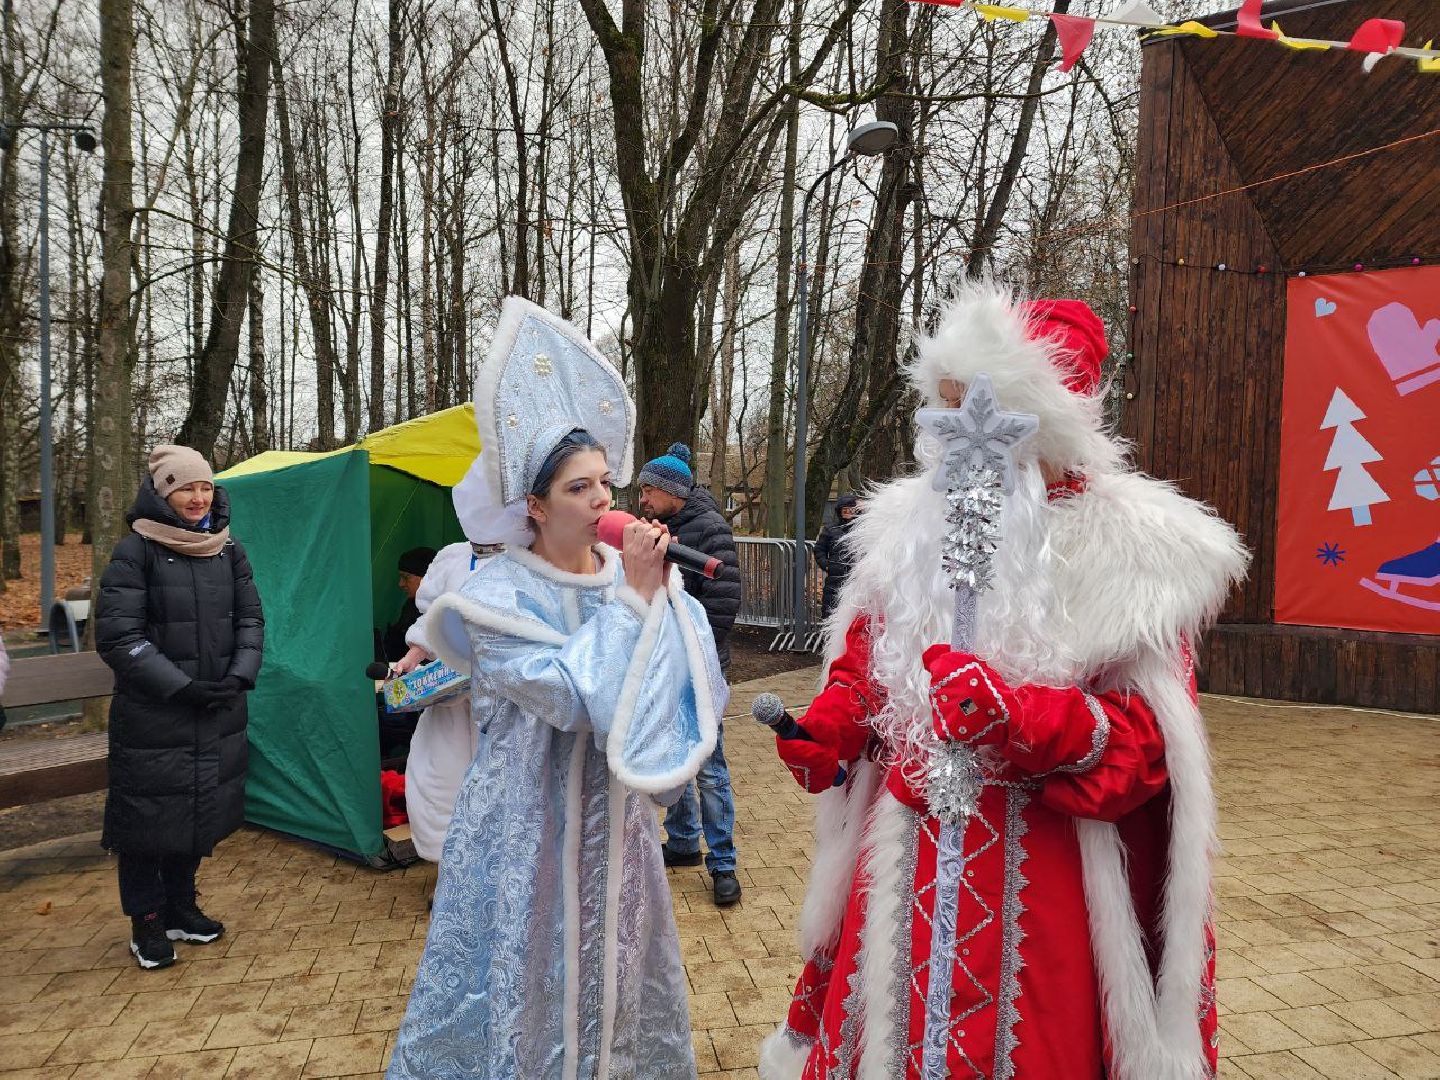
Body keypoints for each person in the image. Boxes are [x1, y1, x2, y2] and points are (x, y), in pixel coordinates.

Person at [758, 287, 1248, 1080]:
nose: (960, 449)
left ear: (1039, 428)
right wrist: (835, 726)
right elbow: (867, 669)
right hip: (904, 877)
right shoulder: (904, 533)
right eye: (943, 418)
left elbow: (1147, 750)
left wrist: (1019, 718)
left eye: (978, 420)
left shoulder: (1137, 557)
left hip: (1049, 893)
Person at [388, 298, 726, 1079]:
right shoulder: (495, 599)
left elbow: (696, 690)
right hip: (523, 834)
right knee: (527, 993)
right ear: (533, 507)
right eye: (579, 489)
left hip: (620, 833)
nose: (604, 502)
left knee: (617, 989)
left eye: (606, 482)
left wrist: (662, 604)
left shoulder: (636, 578)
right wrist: (636, 603)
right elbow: (575, 699)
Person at [96, 445, 265, 971]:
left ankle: (180, 907)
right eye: (185, 488)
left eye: (204, 487)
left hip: (215, 706)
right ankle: (146, 921)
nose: (197, 497)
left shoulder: (228, 550)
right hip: (156, 713)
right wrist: (181, 687)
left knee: (198, 808)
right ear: (163, 493)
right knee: (147, 821)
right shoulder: (136, 551)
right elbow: (120, 637)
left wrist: (239, 675)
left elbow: (251, 622)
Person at [637, 442, 743, 905]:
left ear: (670, 492)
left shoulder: (710, 530)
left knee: (710, 768)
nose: (641, 499)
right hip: (665, 666)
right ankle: (682, 843)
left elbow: (722, 603)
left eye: (647, 490)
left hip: (698, 667)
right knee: (674, 754)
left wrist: (697, 653)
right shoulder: (657, 528)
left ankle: (724, 863)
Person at [391, 539, 499, 862]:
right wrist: (414, 654)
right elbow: (433, 616)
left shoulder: (529, 551)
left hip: (501, 705)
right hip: (450, 706)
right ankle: (452, 874)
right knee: (441, 783)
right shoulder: (454, 558)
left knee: (499, 792)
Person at [377, 547, 436, 663]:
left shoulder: (448, 609)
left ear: (426, 577)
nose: (401, 584)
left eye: (406, 577)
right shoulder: (411, 606)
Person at [814, 493, 860, 619]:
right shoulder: (830, 529)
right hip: (835, 578)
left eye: (850, 509)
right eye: (844, 510)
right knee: (831, 611)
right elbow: (819, 549)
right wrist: (827, 565)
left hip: (856, 579)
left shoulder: (863, 530)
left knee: (853, 614)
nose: (847, 512)